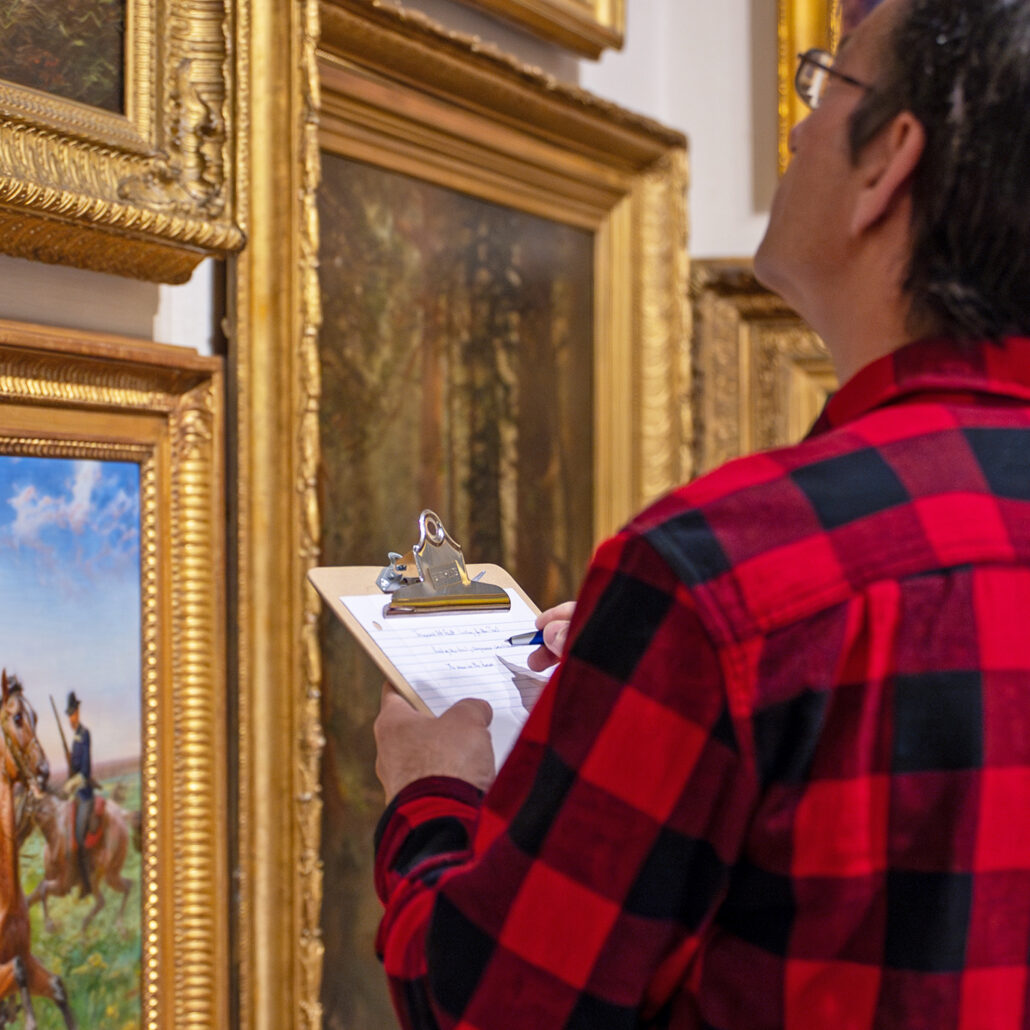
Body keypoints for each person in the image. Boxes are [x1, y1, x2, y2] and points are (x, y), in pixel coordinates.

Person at [371, 0, 1030, 1025]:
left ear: (888, 161)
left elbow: (491, 1006)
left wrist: (432, 792)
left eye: (828, 84)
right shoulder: (740, 594)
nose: (799, 130)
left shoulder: (724, 574)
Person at [65, 691, 94, 896]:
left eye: (73, 713)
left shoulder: (84, 735)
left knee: (78, 837)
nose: (71, 718)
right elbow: (74, 768)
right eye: (69, 715)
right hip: (75, 795)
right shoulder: (74, 740)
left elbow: (85, 770)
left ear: (78, 712)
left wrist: (72, 782)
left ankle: (87, 884)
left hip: (85, 796)